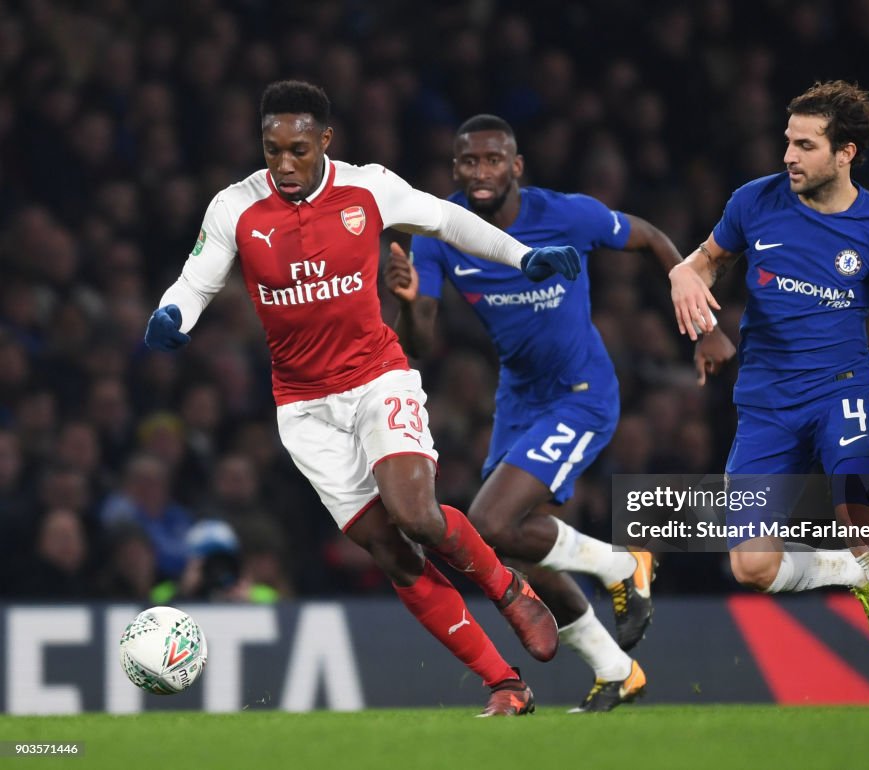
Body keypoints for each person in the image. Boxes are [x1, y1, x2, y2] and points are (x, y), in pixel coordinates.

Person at [143, 80, 586, 717]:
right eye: (272, 151)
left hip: (377, 377)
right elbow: (196, 279)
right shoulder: (235, 207)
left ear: (325, 140)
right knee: (392, 553)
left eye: (298, 149)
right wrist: (171, 318)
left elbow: (449, 218)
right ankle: (504, 684)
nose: (284, 165)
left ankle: (507, 586)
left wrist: (523, 257)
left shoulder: (368, 187)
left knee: (416, 515)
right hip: (302, 408)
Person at [385, 114, 736, 711]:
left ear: (516, 167)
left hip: (582, 392)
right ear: (454, 170)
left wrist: (703, 324)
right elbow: (420, 345)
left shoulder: (566, 214)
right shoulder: (439, 230)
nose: (481, 173)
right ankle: (615, 669)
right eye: (468, 162)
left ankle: (623, 564)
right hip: (519, 398)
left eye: (493, 160)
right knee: (513, 549)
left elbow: (650, 237)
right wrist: (412, 303)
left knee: (488, 523)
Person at [669, 80, 869, 712]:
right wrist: (683, 274)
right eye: (787, 141)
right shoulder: (754, 202)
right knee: (751, 568)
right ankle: (856, 576)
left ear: (845, 152)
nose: (788, 156)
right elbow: (706, 259)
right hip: (765, 405)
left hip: (842, 393)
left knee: (860, 517)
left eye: (805, 145)